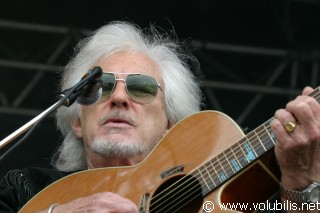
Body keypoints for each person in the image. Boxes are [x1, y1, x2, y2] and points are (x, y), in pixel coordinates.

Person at [0, 21, 319, 213]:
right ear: (76, 119)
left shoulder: (239, 190)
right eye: (101, 86)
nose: (119, 97)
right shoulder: (24, 189)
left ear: (170, 122)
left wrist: (298, 183)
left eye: (141, 88)